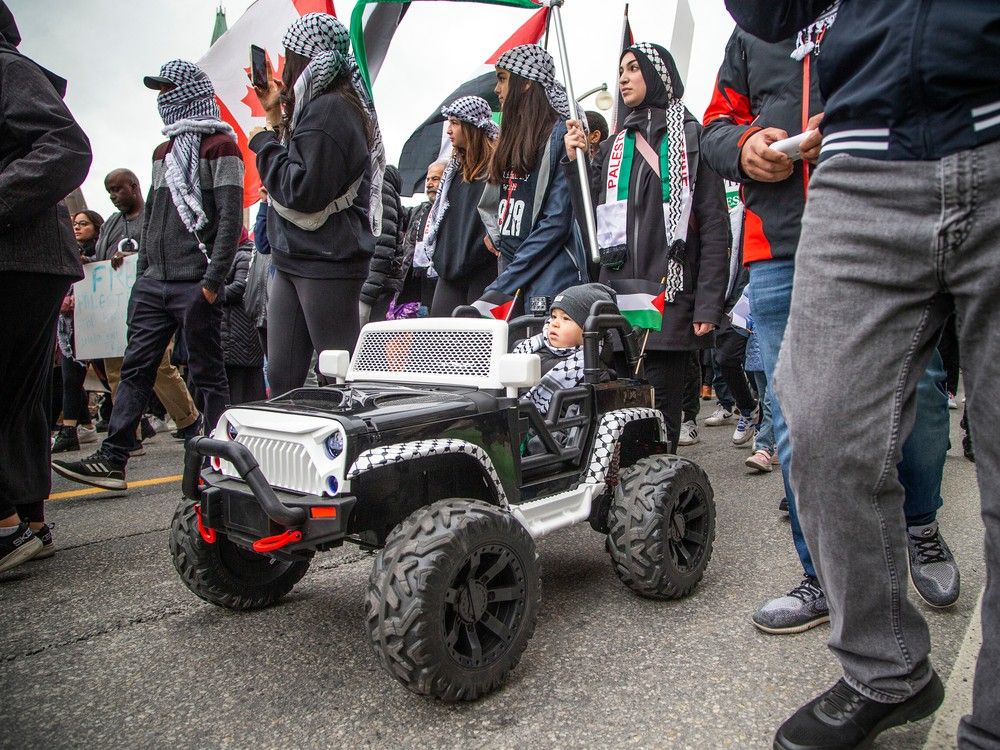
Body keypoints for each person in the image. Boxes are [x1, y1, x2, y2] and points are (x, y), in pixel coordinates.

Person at [724, 2, 999, 748]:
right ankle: (886, 670)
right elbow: (763, 17)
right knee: (816, 428)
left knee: (944, 421)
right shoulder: (761, 56)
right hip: (862, 159)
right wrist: (745, 142)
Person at [701, 16, 960, 639]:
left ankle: (920, 524)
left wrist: (853, 130)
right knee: (794, 414)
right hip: (780, 247)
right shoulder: (753, 32)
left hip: (886, 221)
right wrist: (745, 148)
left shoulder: (881, 10)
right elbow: (712, 128)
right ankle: (822, 573)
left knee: (919, 389)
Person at [52, 59, 242, 491]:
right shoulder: (164, 152)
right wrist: (143, 275)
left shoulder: (220, 146)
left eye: (168, 90)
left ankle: (221, 458)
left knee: (207, 372)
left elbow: (229, 219)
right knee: (136, 367)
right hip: (154, 282)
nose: (162, 100)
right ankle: (114, 456)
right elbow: (155, 214)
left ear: (189, 92)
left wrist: (212, 284)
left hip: (195, 281)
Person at [564, 43, 729, 451]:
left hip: (669, 295)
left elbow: (713, 226)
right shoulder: (617, 144)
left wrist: (708, 304)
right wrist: (575, 165)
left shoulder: (694, 137)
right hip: (618, 295)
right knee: (619, 408)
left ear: (658, 76)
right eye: (621, 69)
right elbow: (594, 225)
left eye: (634, 68)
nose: (622, 78)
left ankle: (659, 497)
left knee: (660, 410)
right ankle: (626, 495)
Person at [0, 0, 91, 572]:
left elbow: (67, 147)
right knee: (16, 394)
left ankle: (8, 522)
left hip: (17, 252)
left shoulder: (5, 68)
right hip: (25, 254)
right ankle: (26, 518)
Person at [248, 12, 383, 395]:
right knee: (284, 378)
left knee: (339, 377)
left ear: (303, 59)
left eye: (288, 56)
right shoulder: (319, 106)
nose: (283, 67)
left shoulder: (329, 111)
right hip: (299, 256)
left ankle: (353, 452)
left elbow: (302, 190)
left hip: (326, 262)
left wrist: (262, 143)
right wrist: (274, 116)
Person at [475, 43, 589, 316]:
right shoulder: (509, 139)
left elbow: (556, 224)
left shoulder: (562, 135)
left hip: (550, 277)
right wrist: (495, 234)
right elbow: (497, 206)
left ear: (526, 83)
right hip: (512, 274)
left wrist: (502, 284)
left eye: (502, 78)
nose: (497, 90)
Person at [95, 168, 201, 444]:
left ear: (134, 186)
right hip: (115, 308)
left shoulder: (153, 217)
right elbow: (101, 258)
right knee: (118, 369)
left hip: (153, 303)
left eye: (118, 189)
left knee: (158, 366)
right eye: (109, 192)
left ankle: (189, 419)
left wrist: (135, 258)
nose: (113, 197)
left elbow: (165, 250)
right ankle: (129, 434)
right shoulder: (109, 224)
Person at [427, 96, 499, 316]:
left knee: (480, 341)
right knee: (438, 339)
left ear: (472, 126)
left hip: (484, 271)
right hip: (449, 269)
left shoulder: (496, 169)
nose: (449, 130)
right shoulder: (452, 172)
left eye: (455, 123)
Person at [513, 283, 617, 421]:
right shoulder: (526, 348)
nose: (554, 323)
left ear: (588, 331)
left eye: (566, 318)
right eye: (554, 316)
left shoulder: (593, 372)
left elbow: (577, 425)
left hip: (552, 437)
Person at [50, 210, 105, 453]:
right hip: (71, 326)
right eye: (75, 224)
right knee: (71, 376)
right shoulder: (69, 251)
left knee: (108, 377)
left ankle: (140, 422)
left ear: (95, 226)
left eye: (83, 224)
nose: (77, 228)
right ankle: (75, 428)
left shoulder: (101, 253)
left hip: (100, 323)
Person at [221, 232, 266, 404]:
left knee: (241, 391)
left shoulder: (244, 255)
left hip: (240, 333)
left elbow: (240, 287)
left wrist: (211, 293)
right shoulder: (235, 255)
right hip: (234, 333)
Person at [396, 160, 445, 316]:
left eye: (435, 179)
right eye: (428, 179)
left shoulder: (453, 211)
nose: (429, 184)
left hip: (442, 283)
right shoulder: (419, 211)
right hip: (417, 286)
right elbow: (396, 213)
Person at [360, 164, 403, 323]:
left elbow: (382, 248)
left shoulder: (380, 188)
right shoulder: (382, 188)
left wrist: (366, 295)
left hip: (372, 288)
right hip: (378, 285)